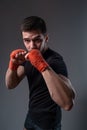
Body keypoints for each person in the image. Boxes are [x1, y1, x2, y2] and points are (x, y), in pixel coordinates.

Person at [5, 16, 75, 130]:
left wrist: (41, 64)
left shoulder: (55, 61)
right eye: (27, 40)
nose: (31, 46)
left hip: (48, 124)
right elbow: (10, 84)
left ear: (46, 38)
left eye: (37, 40)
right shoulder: (28, 57)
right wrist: (12, 64)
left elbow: (67, 104)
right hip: (31, 117)